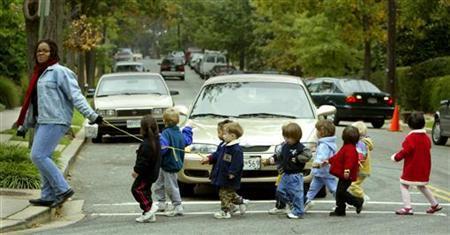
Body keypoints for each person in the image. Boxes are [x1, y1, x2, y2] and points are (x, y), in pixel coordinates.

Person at [15, 39, 102, 208]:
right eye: (39, 50)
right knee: (43, 156)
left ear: (52, 53)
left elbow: (75, 95)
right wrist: (23, 125)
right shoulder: (39, 73)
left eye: (45, 51)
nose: (41, 53)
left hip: (56, 119)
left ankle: (63, 189)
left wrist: (92, 115)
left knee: (37, 155)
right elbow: (33, 103)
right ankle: (47, 195)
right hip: (42, 121)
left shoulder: (60, 72)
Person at [391, 111, 442, 215]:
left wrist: (396, 157)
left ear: (409, 125)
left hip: (412, 167)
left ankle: (407, 207)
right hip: (424, 167)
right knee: (421, 185)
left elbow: (405, 151)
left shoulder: (411, 138)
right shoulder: (426, 138)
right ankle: (434, 204)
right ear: (423, 124)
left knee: (404, 184)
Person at [265, 122, 312, 219]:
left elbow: (308, 155)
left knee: (296, 193)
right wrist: (271, 160)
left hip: (295, 175)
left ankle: (298, 212)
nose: (286, 139)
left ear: (296, 137)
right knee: (280, 191)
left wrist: (298, 158)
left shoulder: (300, 147)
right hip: (285, 174)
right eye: (285, 137)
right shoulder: (285, 146)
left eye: (289, 137)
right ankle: (293, 204)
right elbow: (279, 155)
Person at [201, 120, 248, 215]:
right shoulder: (224, 145)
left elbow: (237, 163)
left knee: (224, 194)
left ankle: (225, 211)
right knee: (228, 193)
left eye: (225, 134)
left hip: (229, 177)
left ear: (233, 136)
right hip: (222, 175)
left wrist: (232, 172)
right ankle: (240, 201)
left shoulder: (236, 149)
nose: (223, 136)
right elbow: (217, 155)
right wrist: (209, 159)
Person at [152, 108, 193, 217]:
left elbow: (163, 149)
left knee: (170, 185)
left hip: (169, 164)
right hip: (169, 164)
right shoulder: (179, 132)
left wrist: (157, 140)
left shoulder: (165, 133)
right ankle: (161, 203)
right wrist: (188, 128)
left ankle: (177, 205)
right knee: (159, 183)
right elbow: (187, 140)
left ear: (164, 121)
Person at [326, 126, 364, 216]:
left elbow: (349, 161)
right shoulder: (347, 147)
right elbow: (338, 157)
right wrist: (329, 160)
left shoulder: (349, 148)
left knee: (341, 192)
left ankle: (357, 202)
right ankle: (340, 210)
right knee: (339, 193)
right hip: (345, 174)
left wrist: (347, 170)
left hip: (347, 175)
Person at [132, 115, 161, 223]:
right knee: (145, 191)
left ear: (142, 129)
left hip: (146, 174)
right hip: (153, 173)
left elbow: (142, 162)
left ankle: (148, 208)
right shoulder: (155, 141)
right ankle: (149, 214)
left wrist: (136, 171)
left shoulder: (146, 144)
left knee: (136, 189)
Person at [304, 120, 337, 211]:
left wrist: (317, 163)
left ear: (322, 132)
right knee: (313, 188)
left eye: (317, 130)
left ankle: (342, 202)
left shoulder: (324, 145)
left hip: (324, 172)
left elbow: (323, 157)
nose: (316, 132)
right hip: (322, 172)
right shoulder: (327, 143)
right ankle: (306, 202)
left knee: (333, 189)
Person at [348, 121, 374, 204]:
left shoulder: (360, 143)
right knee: (352, 185)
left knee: (353, 185)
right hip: (362, 169)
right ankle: (353, 200)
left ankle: (362, 196)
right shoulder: (363, 142)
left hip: (360, 169)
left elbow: (360, 157)